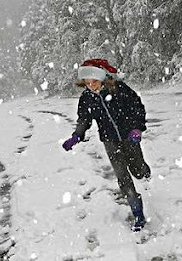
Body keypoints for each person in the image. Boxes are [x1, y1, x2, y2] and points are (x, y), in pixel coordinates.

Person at [62, 59, 151, 231]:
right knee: (123, 177)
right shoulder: (87, 98)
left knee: (137, 171)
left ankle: (144, 170)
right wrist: (77, 135)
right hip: (109, 141)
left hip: (129, 137)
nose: (91, 86)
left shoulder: (118, 89)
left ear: (102, 77)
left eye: (93, 81)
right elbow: (84, 119)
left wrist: (137, 128)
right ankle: (138, 213)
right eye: (87, 83)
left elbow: (137, 107)